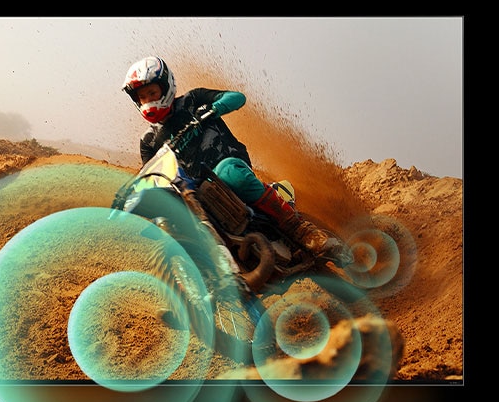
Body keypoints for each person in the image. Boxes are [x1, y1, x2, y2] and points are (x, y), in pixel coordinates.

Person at [122, 55, 350, 262]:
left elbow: (237, 97)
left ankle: (303, 230)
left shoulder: (193, 101)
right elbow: (153, 174)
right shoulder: (149, 141)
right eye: (142, 97)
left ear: (166, 87)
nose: (148, 100)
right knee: (170, 222)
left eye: (152, 93)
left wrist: (213, 109)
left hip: (228, 169)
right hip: (194, 192)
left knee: (228, 171)